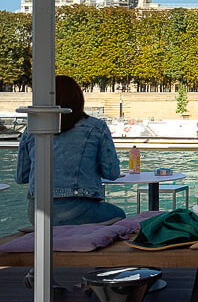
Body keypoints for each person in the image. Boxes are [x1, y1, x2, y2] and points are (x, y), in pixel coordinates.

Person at [16, 75, 125, 226]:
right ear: (78, 98)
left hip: (37, 213)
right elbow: (111, 173)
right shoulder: (96, 127)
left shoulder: (31, 130)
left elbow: (21, 177)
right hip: (80, 209)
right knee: (120, 215)